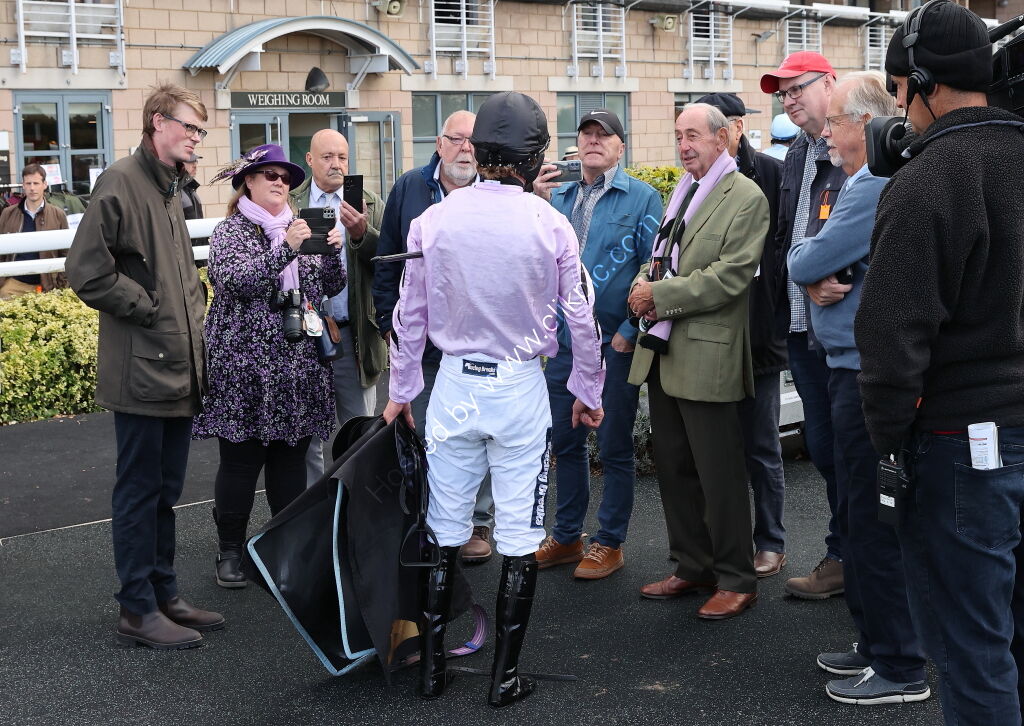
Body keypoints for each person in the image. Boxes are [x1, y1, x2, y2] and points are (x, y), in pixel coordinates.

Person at [382, 91, 604, 708]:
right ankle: (503, 679)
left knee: (443, 526)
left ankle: (431, 672)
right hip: (517, 386)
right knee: (519, 534)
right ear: (534, 157)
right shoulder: (549, 223)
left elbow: (408, 315)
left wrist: (401, 391)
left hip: (454, 384)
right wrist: (588, 389)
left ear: (477, 151)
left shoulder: (435, 219)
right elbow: (580, 317)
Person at [856, 2, 1024, 721]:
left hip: (961, 445)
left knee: (972, 647)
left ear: (924, 82)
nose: (899, 109)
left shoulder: (927, 181)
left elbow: (890, 340)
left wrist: (890, 440)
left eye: (900, 89)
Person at [66, 83, 223, 649]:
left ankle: (163, 594)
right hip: (142, 371)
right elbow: (86, 271)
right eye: (189, 126)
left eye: (200, 130)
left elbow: (180, 279)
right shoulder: (121, 182)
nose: (196, 137)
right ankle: (137, 608)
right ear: (158, 122)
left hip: (177, 368)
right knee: (139, 491)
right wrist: (148, 306)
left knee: (165, 489)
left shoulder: (169, 188)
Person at [788, 72, 928, 705]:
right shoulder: (864, 181)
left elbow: (804, 260)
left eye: (838, 121)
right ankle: (877, 647)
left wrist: (811, 267)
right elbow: (811, 263)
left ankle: (899, 664)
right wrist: (813, 269)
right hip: (855, 366)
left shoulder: (871, 183)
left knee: (870, 522)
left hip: (861, 372)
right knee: (859, 514)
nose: (827, 133)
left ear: (868, 125)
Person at [628, 103, 768, 620]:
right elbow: (660, 256)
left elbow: (730, 276)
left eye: (693, 135)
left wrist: (657, 296)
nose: (683, 145)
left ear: (721, 139)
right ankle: (693, 565)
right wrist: (643, 283)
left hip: (708, 353)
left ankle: (736, 578)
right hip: (663, 349)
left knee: (719, 473)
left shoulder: (746, 197)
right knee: (675, 466)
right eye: (678, 135)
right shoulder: (684, 190)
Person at [192, 144, 345, 589]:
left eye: (285, 177)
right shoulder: (231, 231)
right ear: (248, 182)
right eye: (270, 175)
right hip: (244, 366)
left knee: (290, 461)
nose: (280, 183)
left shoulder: (301, 226)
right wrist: (288, 249)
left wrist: (332, 252)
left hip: (297, 365)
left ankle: (285, 549)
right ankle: (230, 551)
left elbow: (329, 285)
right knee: (241, 462)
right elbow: (236, 281)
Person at [531, 109, 661, 579]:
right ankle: (567, 536)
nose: (592, 141)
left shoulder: (642, 198)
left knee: (613, 445)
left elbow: (654, 269)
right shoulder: (557, 195)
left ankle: (609, 542)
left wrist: (629, 330)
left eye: (603, 135)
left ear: (620, 146)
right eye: (586, 133)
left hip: (613, 344)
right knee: (564, 443)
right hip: (564, 342)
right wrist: (535, 201)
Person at [373, 110, 497, 564]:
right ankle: (431, 519)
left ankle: (477, 522)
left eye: (472, 141)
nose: (465, 148)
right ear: (439, 144)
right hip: (422, 343)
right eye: (457, 139)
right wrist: (388, 321)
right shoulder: (410, 187)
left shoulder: (496, 192)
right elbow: (387, 257)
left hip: (477, 342)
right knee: (427, 432)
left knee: (478, 430)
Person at [761, 51, 850, 600]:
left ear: (830, 84)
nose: (790, 99)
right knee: (825, 447)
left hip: (844, 332)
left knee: (854, 452)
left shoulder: (860, 147)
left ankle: (855, 558)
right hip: (799, 328)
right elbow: (786, 238)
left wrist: (822, 272)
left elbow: (872, 231)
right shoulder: (797, 151)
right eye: (783, 93)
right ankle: (846, 555)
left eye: (798, 88)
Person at [698, 92, 788, 578]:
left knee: (762, 447)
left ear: (732, 129)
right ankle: (722, 542)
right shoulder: (693, 184)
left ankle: (770, 540)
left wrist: (776, 322)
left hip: (758, 336)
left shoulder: (771, 175)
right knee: (716, 449)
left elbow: (784, 254)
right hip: (707, 338)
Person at [290, 129, 387, 485]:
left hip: (352, 336)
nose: (336, 164)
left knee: (359, 433)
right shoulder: (289, 202)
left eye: (342, 157)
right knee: (305, 437)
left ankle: (353, 505)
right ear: (310, 160)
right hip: (302, 337)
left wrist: (362, 233)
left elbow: (388, 263)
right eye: (327, 156)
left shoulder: (369, 203)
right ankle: (312, 507)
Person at [0, 163, 69, 299]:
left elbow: (67, 253)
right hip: (14, 284)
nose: (32, 188)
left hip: (48, 286)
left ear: (45, 185)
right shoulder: (8, 213)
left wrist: (61, 285)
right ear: (23, 185)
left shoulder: (58, 214)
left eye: (36, 183)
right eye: (28, 183)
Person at [179, 154, 204, 221]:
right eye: (191, 162)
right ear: (180, 165)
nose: (195, 166)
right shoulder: (175, 191)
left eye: (195, 162)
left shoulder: (191, 188)